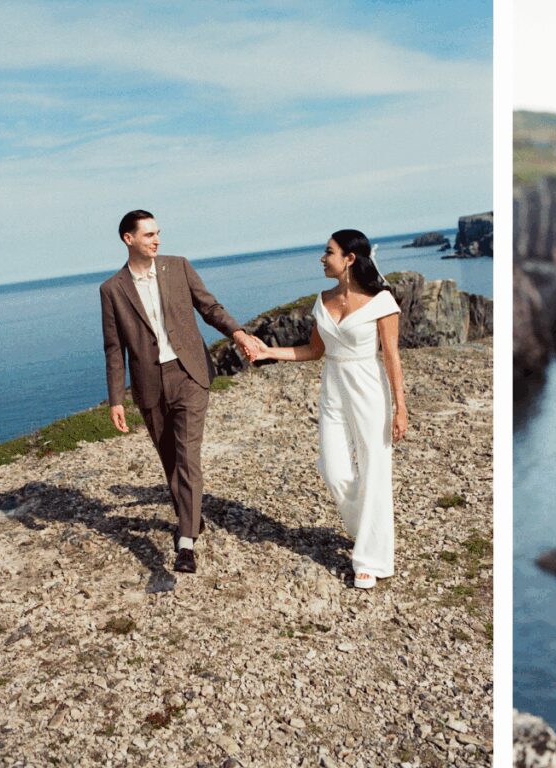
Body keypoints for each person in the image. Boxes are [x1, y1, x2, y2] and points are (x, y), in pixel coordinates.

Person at [100, 210, 260, 574]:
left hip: (190, 374)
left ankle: (185, 542)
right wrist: (115, 399)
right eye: (149, 235)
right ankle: (192, 516)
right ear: (129, 239)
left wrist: (238, 334)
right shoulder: (111, 290)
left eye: (158, 233)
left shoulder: (179, 266)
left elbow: (209, 307)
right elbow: (114, 348)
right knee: (169, 457)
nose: (157, 240)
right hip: (149, 384)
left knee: (188, 456)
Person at [251, 229, 407, 589]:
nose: (322, 259)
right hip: (333, 388)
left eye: (329, 253)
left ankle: (370, 558)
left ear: (349, 259)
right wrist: (269, 352)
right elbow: (313, 350)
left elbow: (393, 357)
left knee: (375, 471)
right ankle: (363, 526)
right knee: (334, 469)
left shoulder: (383, 301)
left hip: (369, 389)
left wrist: (401, 407)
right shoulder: (322, 301)